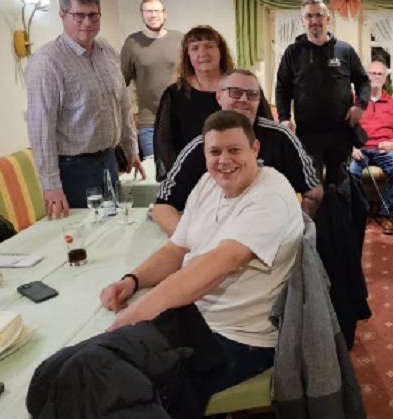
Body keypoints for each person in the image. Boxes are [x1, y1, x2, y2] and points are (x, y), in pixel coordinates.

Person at [101, 110, 303, 395]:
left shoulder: (271, 195)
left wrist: (130, 319)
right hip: (196, 320)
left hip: (240, 339)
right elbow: (176, 249)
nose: (224, 160)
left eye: (234, 150)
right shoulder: (208, 183)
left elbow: (219, 265)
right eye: (215, 151)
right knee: (98, 364)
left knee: (121, 385)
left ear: (255, 149)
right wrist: (132, 281)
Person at [153, 69, 321, 235]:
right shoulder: (199, 146)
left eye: (252, 94)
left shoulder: (281, 138)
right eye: (235, 92)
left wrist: (297, 230)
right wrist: (188, 243)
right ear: (219, 96)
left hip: (272, 240)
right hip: (214, 242)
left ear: (255, 148)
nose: (244, 99)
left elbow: (313, 188)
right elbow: (163, 205)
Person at [25, 0, 143, 219]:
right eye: (78, 15)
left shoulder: (107, 51)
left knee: (116, 226)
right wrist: (50, 184)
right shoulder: (47, 61)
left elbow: (122, 104)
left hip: (108, 159)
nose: (86, 22)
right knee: (87, 232)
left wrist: (131, 148)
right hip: (73, 169)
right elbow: (41, 128)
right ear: (62, 16)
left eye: (93, 15)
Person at [275, 0, 370, 185]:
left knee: (340, 188)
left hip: (340, 133)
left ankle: (340, 215)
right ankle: (315, 217)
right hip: (308, 134)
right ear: (302, 21)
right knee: (312, 188)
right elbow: (282, 88)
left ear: (328, 19)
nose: (314, 20)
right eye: (308, 16)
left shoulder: (345, 50)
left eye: (319, 15)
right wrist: (284, 118)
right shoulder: (292, 53)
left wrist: (360, 105)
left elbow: (363, 81)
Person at [152, 25, 240, 178]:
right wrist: (179, 177)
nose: (202, 53)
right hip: (191, 178)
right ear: (187, 56)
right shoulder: (175, 94)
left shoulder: (240, 87)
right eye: (194, 48)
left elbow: (262, 129)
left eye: (209, 46)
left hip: (236, 173)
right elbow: (164, 143)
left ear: (221, 51)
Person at [349, 60, 393, 235]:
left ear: (385, 78)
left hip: (386, 150)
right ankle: (361, 212)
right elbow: (343, 128)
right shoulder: (353, 101)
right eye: (371, 73)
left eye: (379, 74)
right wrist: (351, 147)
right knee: (351, 171)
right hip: (360, 149)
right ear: (365, 77)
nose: (375, 77)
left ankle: (387, 213)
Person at [119, 0, 181, 160]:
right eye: (148, 11)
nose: (153, 15)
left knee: (185, 174)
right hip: (149, 124)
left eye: (156, 11)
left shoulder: (180, 39)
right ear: (142, 15)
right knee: (156, 177)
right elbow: (119, 83)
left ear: (164, 13)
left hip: (180, 119)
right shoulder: (132, 42)